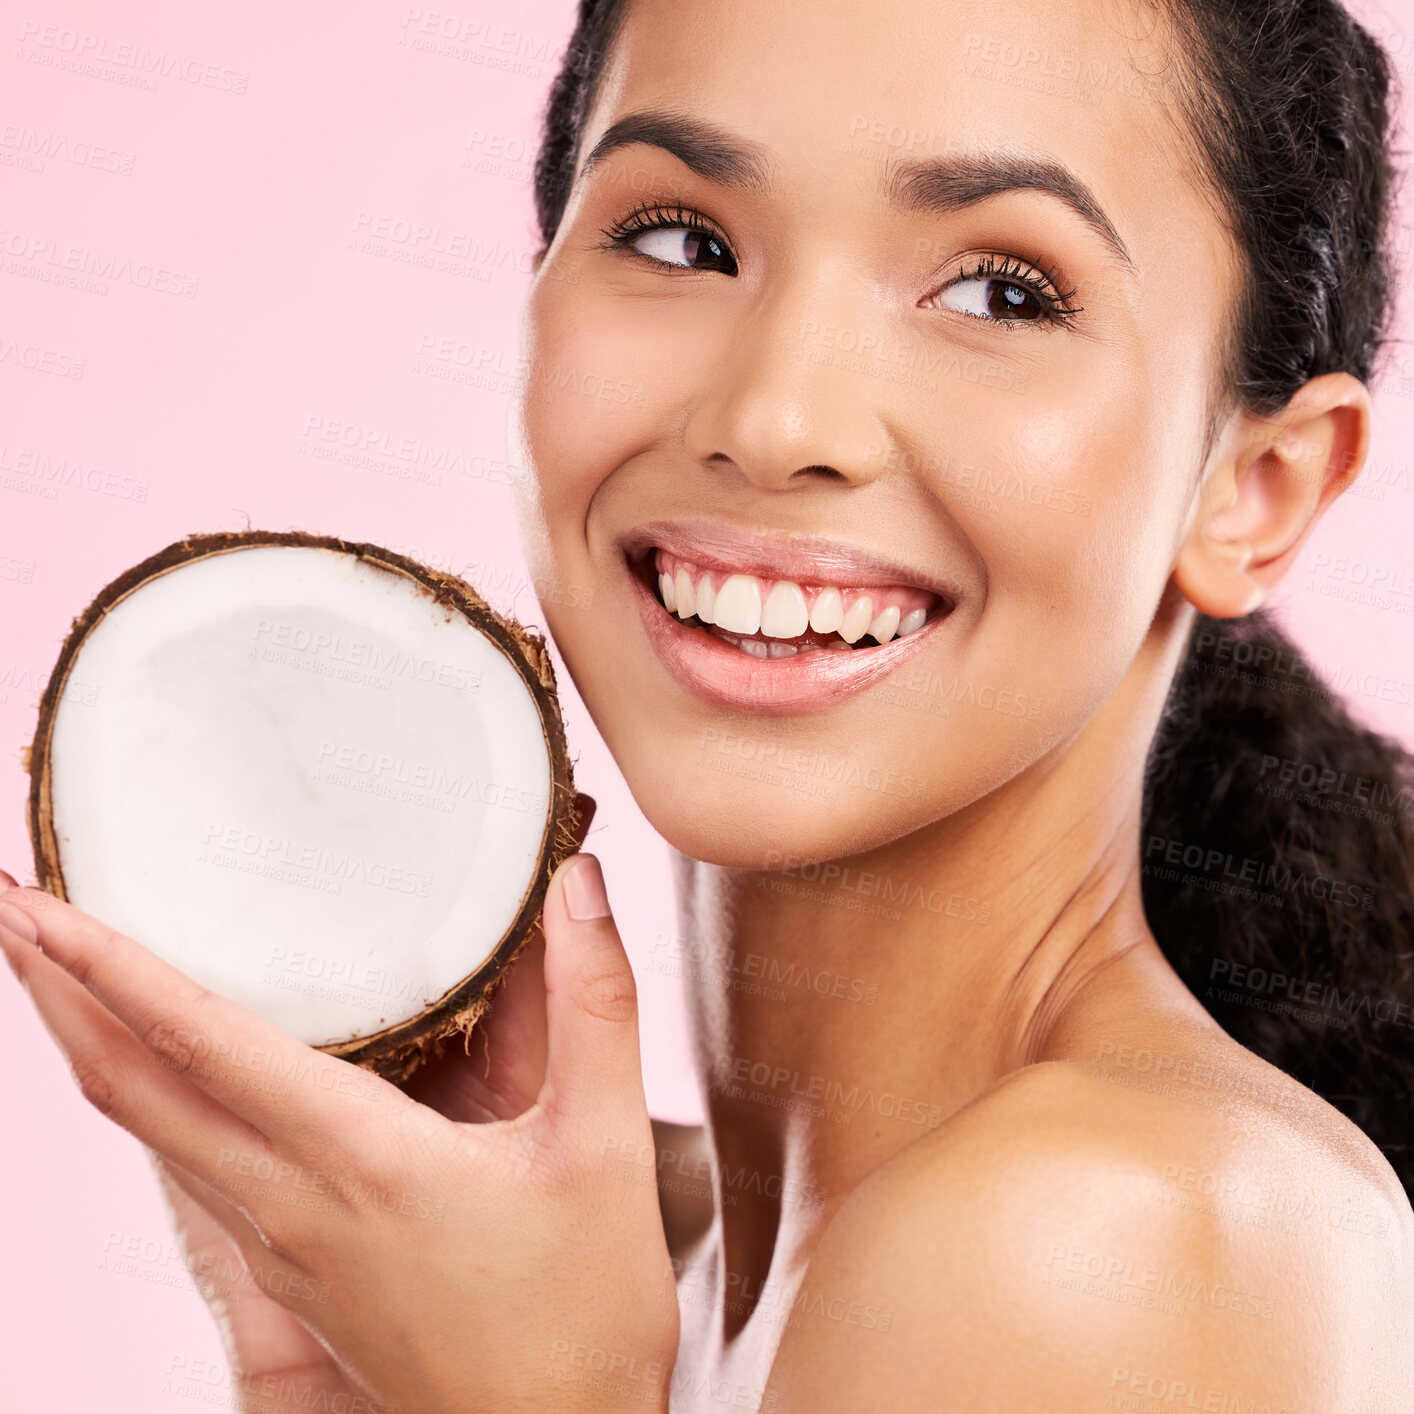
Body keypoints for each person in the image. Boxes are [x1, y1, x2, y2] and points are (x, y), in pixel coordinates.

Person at [2, 0, 1411, 1408]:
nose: (774, 417)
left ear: (1256, 488)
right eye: (680, 238)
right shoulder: (581, 1272)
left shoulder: (1120, 1233)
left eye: (1000, 291)